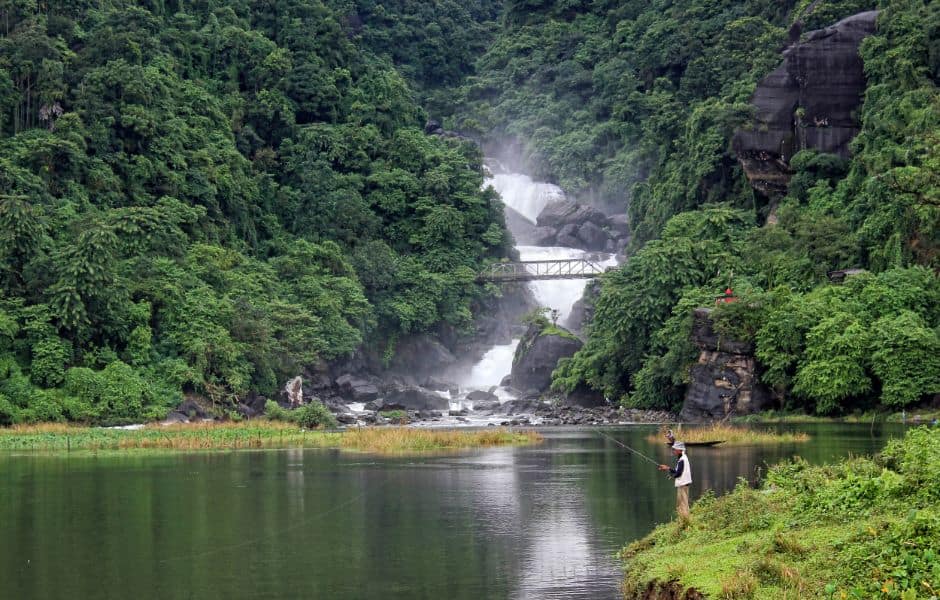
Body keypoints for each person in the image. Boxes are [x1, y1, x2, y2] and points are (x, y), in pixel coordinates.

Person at [658, 441, 692, 521]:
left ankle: (685, 521)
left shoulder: (682, 460)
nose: (674, 451)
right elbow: (678, 471)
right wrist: (668, 468)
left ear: (680, 450)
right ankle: (683, 520)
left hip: (683, 485)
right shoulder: (683, 458)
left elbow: (678, 473)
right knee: (682, 503)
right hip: (684, 484)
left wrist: (672, 476)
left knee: (682, 504)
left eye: (675, 449)